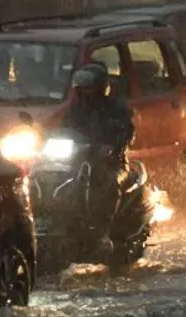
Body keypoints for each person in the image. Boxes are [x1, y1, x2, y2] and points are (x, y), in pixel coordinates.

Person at [62, 64, 135, 249]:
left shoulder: (117, 108)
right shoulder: (75, 110)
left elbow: (127, 131)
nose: (85, 91)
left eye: (89, 87)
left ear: (101, 87)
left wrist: (112, 146)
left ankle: (103, 232)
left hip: (112, 161)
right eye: (82, 88)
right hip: (79, 160)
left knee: (109, 184)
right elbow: (64, 130)